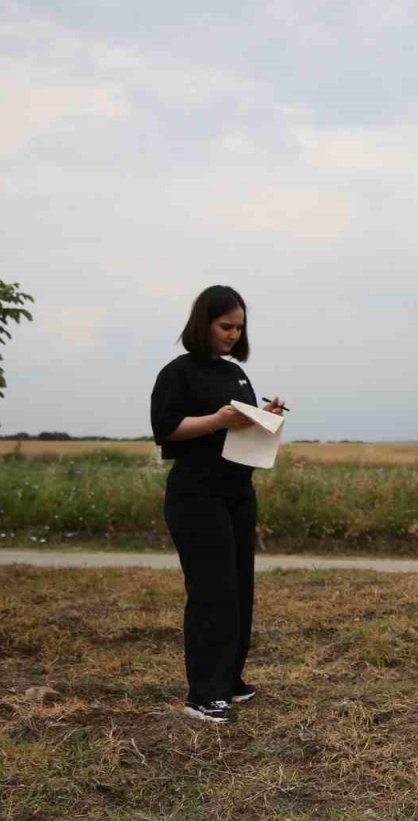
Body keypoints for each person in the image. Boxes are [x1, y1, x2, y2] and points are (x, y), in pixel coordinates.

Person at [150, 285, 285, 724]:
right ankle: (202, 695)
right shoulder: (178, 373)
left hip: (237, 492)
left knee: (240, 587)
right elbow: (166, 428)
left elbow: (238, 432)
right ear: (203, 323)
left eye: (239, 327)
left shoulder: (236, 376)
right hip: (196, 495)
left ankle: (229, 681)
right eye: (225, 326)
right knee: (211, 591)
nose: (232, 334)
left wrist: (267, 417)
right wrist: (216, 420)